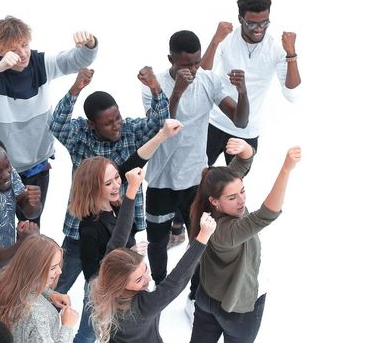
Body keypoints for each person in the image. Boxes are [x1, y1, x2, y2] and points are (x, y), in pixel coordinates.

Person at [141, 30, 249, 308]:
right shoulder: (154, 85)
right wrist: (177, 90)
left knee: (198, 241)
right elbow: (165, 125)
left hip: (195, 178)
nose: (191, 69)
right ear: (170, 60)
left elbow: (240, 119)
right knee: (157, 241)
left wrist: (242, 91)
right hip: (161, 179)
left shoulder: (209, 81)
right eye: (184, 64)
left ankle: (195, 293)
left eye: (196, 63)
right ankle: (160, 289)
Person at [0, 15, 99, 226]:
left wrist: (90, 43)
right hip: (2, 170)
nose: (22, 53)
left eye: (25, 45)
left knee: (31, 225)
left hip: (37, 164)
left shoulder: (41, 63)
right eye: (13, 49)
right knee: (2, 228)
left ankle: (34, 260)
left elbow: (78, 60)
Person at [48, 66, 167, 297]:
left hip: (118, 228)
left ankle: (91, 330)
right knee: (58, 286)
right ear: (92, 124)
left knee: (101, 293)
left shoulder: (131, 130)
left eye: (118, 118)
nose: (116, 126)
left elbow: (160, 123)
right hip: (83, 229)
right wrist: (76, 88)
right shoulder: (79, 137)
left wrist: (155, 87)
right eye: (108, 123)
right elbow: (57, 125)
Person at [66, 119, 182, 342]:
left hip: (127, 284)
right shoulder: (89, 229)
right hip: (103, 292)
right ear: (93, 188)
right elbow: (93, 275)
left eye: (117, 178)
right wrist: (128, 253)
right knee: (88, 334)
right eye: (108, 183)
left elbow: (136, 159)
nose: (117, 184)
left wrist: (163, 134)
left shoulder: (114, 202)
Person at [88, 165, 218, 343]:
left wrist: (132, 188)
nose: (147, 279)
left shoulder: (107, 273)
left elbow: (121, 232)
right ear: (120, 284)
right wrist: (202, 238)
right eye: (139, 279)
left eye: (145, 270)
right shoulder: (140, 308)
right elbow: (175, 283)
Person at [188, 143, 301, 343]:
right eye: (233, 197)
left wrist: (245, 148)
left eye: (243, 191)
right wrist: (285, 169)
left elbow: (244, 161)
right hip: (237, 309)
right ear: (215, 201)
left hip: (206, 296)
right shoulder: (224, 232)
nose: (241, 200)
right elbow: (266, 215)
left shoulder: (210, 199)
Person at [0, 134, 62, 336]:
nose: (7, 174)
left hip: (6, 268)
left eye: (7, 166)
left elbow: (29, 211)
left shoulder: (5, 170)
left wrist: (34, 204)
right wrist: (25, 241)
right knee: (5, 328)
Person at [201, 0, 302, 167]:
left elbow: (292, 95)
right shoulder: (227, 39)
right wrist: (215, 41)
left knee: (233, 189)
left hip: (246, 131)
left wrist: (291, 53)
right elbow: (202, 75)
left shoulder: (275, 49)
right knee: (194, 180)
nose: (259, 28)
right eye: (252, 23)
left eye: (265, 22)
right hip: (213, 122)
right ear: (240, 19)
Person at [0, 235, 79, 343]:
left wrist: (50, 295)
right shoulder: (38, 317)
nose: (59, 271)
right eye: (53, 267)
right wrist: (67, 326)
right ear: (35, 270)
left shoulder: (6, 278)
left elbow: (27, 283)